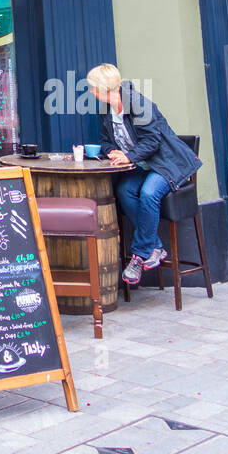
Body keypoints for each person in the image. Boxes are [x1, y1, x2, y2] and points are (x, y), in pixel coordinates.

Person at [86, 63, 201, 287]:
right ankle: (155, 246)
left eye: (93, 87)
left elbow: (153, 141)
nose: (91, 92)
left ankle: (139, 256)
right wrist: (112, 151)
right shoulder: (105, 109)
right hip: (143, 164)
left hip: (166, 162)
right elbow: (106, 140)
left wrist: (129, 156)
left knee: (149, 193)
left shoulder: (137, 104)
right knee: (124, 190)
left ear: (104, 88)